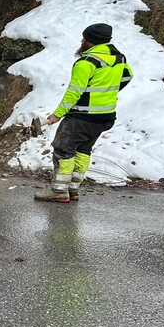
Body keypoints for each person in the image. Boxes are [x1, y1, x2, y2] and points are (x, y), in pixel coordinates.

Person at [34, 23, 133, 203]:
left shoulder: (87, 62)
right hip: (105, 117)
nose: (81, 41)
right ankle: (73, 189)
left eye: (84, 38)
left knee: (64, 150)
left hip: (81, 116)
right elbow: (127, 77)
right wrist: (105, 93)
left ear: (90, 42)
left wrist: (56, 115)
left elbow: (74, 92)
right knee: (83, 151)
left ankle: (58, 190)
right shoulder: (119, 58)